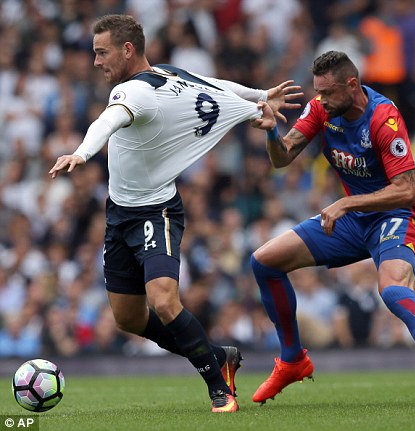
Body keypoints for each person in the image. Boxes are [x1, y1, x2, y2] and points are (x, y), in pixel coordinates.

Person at [48, 14, 301, 413]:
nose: (96, 61)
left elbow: (106, 121)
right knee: (129, 319)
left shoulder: (134, 93)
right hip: (119, 213)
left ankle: (220, 389)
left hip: (157, 210)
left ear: (127, 50)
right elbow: (216, 87)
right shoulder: (167, 74)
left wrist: (81, 153)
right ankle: (218, 355)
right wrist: (259, 94)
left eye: (102, 52)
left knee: (164, 301)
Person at [249, 50, 415, 407]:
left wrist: (346, 202)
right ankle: (292, 360)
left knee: (392, 290)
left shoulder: (384, 118)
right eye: (317, 92)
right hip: (354, 218)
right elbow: (283, 157)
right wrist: (271, 134)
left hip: (396, 215)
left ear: (352, 85)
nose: (320, 100)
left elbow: (405, 191)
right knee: (264, 261)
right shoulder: (321, 111)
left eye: (327, 93)